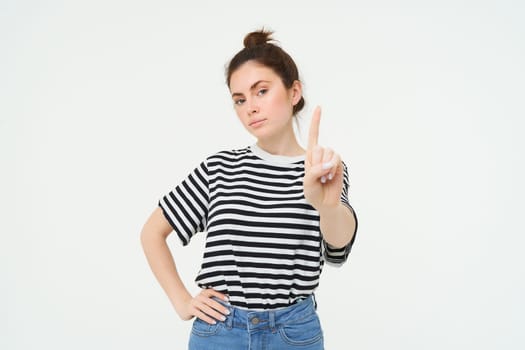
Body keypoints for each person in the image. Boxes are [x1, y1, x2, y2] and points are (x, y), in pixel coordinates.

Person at [140, 28, 358, 350]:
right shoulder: (220, 168)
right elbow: (151, 233)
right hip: (221, 331)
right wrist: (182, 301)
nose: (250, 108)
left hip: (293, 332)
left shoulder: (322, 169)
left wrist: (324, 204)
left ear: (294, 92)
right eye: (239, 100)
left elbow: (338, 251)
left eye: (261, 91)